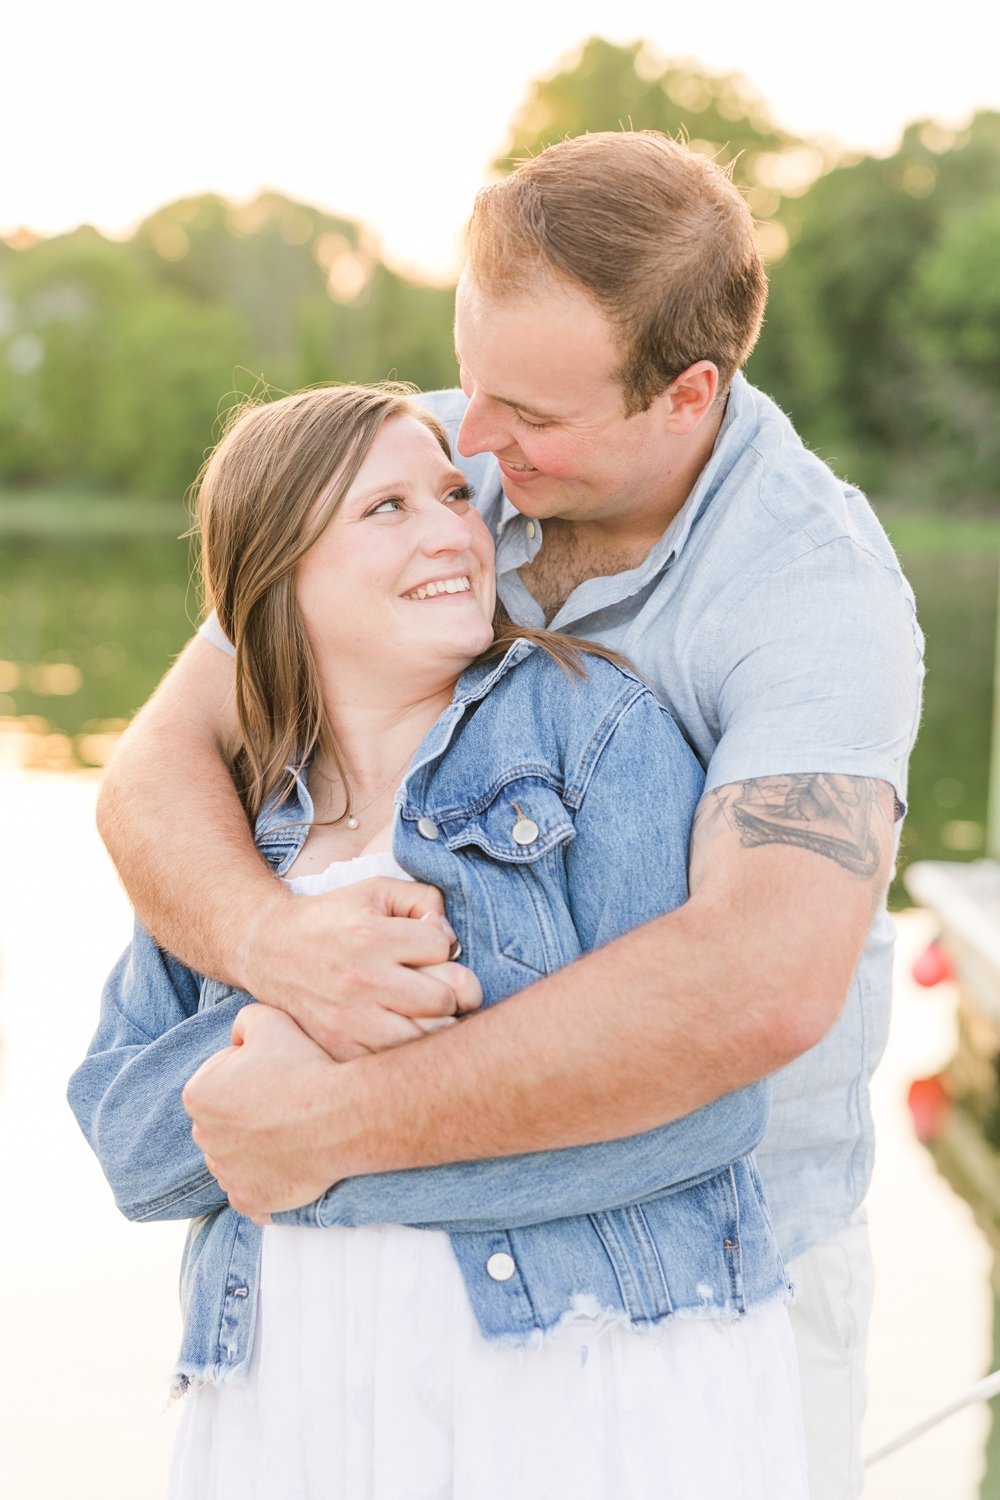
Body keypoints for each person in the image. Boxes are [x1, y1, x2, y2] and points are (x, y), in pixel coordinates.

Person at [97, 131, 924, 1500]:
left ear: (687, 395)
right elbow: (156, 764)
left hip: (691, 1293)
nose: (474, 441)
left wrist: (334, 1130)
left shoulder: (810, 592)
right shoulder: (436, 461)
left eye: (527, 413)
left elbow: (761, 985)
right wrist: (278, 945)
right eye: (469, 376)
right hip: (379, 1318)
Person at [70, 383, 808, 1499]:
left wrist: (323, 1137)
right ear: (279, 578)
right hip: (292, 1404)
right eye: (387, 508)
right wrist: (285, 1015)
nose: (457, 531)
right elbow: (129, 1143)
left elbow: (702, 1110)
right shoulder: (232, 825)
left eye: (455, 494)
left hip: (579, 1376)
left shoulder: (590, 730)